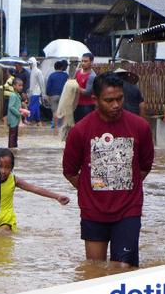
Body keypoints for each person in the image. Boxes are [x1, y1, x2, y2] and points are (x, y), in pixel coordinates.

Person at [62, 72, 154, 268]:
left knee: (123, 268)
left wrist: (126, 187)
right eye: (109, 100)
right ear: (95, 100)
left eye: (120, 99)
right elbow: (69, 171)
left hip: (129, 209)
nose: (116, 105)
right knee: (94, 269)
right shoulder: (80, 131)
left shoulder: (140, 127)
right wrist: (90, 190)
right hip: (93, 211)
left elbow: (145, 165)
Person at [0, 148, 70, 232]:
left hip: (6, 219)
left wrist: (57, 196)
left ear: (12, 168)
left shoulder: (13, 180)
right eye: (0, 167)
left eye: (7, 167)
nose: (3, 171)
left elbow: (34, 188)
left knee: (3, 232)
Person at [46, 60, 69, 132]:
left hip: (53, 95)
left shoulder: (51, 75)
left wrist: (48, 95)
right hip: (63, 95)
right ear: (62, 67)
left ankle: (56, 127)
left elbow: (48, 87)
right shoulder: (66, 75)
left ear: (54, 67)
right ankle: (63, 126)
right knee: (63, 111)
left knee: (55, 112)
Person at [74, 52, 97, 123]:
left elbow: (87, 92)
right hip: (76, 104)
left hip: (87, 106)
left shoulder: (92, 76)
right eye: (82, 61)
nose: (83, 63)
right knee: (77, 125)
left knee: (86, 125)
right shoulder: (77, 72)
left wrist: (74, 85)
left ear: (91, 62)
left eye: (86, 61)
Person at [26, 57, 45, 125]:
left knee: (32, 107)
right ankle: (38, 121)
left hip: (36, 93)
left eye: (30, 64)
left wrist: (43, 94)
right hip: (32, 92)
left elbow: (42, 83)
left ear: (33, 64)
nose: (30, 66)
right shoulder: (32, 72)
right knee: (36, 107)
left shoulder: (38, 72)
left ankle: (29, 120)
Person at [6, 78, 23, 148]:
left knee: (15, 136)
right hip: (13, 119)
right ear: (14, 86)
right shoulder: (13, 95)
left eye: (22, 85)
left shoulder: (17, 95)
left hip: (16, 119)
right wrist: (19, 114)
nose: (21, 87)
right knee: (12, 136)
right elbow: (11, 107)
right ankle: (11, 150)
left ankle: (14, 149)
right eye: (19, 85)